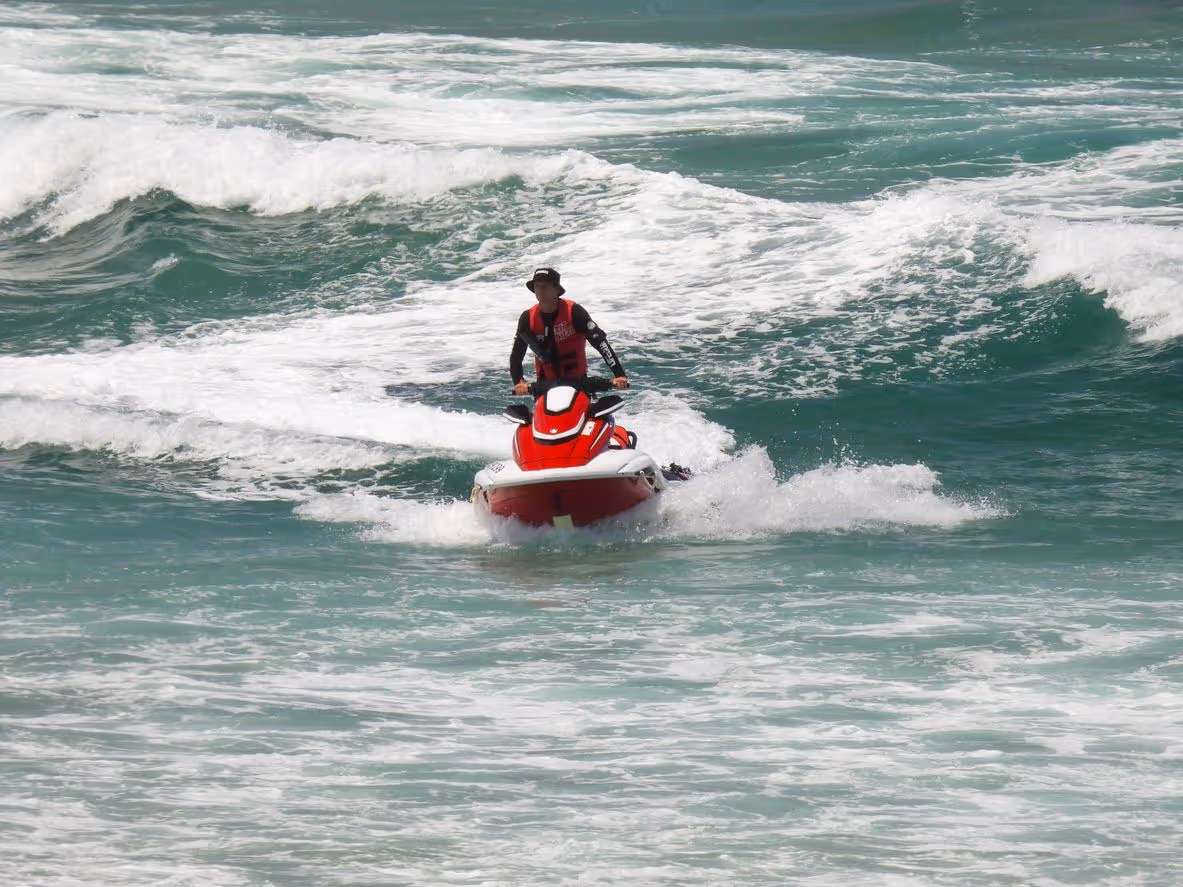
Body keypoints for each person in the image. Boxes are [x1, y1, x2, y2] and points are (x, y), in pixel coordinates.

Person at [509, 267, 629, 395]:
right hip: (545, 388)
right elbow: (516, 356)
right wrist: (519, 382)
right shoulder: (527, 318)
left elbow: (601, 344)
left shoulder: (574, 312)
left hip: (579, 386)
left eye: (545, 287)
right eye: (537, 287)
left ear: (556, 290)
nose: (540, 291)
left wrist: (619, 375)